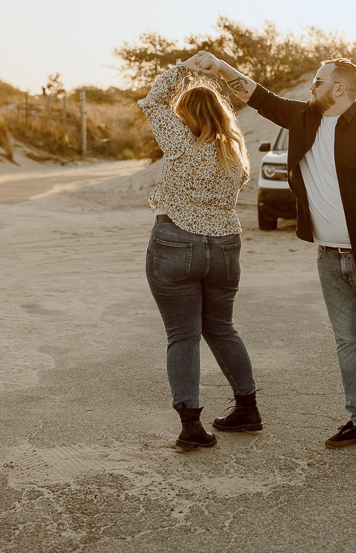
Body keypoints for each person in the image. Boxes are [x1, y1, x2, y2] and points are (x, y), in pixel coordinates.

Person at [192, 51, 356, 448]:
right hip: (328, 257)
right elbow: (257, 95)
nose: (311, 87)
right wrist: (220, 67)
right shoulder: (303, 118)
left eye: (318, 82)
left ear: (339, 88)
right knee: (346, 342)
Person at [138, 56, 263, 450]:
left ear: (186, 115)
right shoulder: (236, 155)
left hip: (177, 241)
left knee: (183, 336)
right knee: (221, 328)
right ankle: (247, 408)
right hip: (225, 247)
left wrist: (184, 68)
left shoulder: (179, 142)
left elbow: (153, 102)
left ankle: (191, 426)